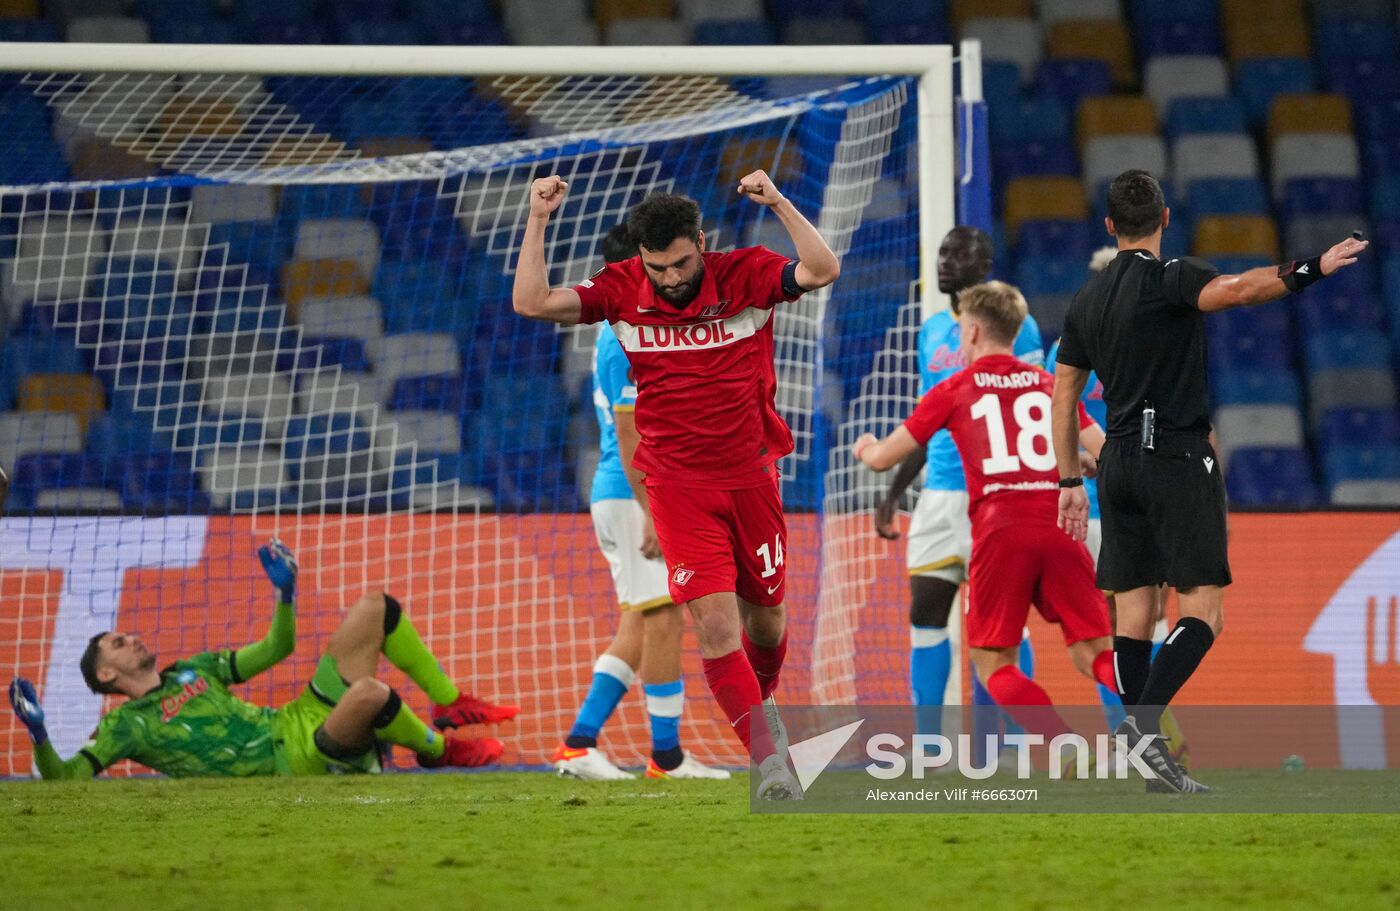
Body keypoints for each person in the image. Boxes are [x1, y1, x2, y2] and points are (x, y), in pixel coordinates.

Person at [512, 170, 840, 800]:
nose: (669, 278)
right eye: (656, 266)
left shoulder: (744, 273)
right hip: (677, 485)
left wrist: (776, 203)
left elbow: (821, 269)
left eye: (680, 263)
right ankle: (773, 766)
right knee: (714, 628)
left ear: (701, 242)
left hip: (751, 476)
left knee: (766, 623)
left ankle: (759, 707)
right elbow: (531, 302)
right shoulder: (620, 290)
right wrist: (538, 220)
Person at [1051, 169, 1369, 793]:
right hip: (1174, 456)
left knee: (1133, 617)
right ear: (1165, 218)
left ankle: (1153, 767)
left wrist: (1068, 479)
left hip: (1115, 465)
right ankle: (1141, 727)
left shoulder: (1086, 301)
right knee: (1205, 615)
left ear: (1109, 225)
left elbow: (1063, 398)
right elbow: (1242, 289)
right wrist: (1314, 268)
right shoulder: (1172, 278)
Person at [854, 281, 1116, 750]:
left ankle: (1066, 747)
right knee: (1095, 651)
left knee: (994, 662)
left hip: (1001, 528)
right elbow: (1105, 452)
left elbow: (882, 459)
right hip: (1060, 525)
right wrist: (1078, 460)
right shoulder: (1050, 383)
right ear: (1016, 331)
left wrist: (866, 447)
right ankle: (1156, 719)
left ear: (971, 332)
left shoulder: (954, 388)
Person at [7, 540, 516, 779]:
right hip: (292, 760)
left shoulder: (195, 668)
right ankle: (435, 751)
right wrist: (39, 735)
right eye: (117, 643)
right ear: (106, 675)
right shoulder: (126, 726)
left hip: (297, 718)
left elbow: (277, 649)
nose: (132, 638)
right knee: (370, 693)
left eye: (125, 634)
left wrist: (287, 594)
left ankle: (450, 704)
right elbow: (65, 779)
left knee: (374, 607)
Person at [554, 223, 728, 782]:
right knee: (663, 619)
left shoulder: (627, 331)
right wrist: (653, 511)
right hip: (632, 493)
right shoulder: (623, 337)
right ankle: (666, 756)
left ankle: (581, 743)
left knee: (645, 619)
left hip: (628, 492)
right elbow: (631, 438)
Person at [872, 226, 1043, 732]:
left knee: (1001, 629)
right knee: (925, 616)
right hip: (938, 495)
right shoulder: (930, 331)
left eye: (960, 253)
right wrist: (894, 495)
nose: (946, 261)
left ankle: (1009, 746)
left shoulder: (1021, 330)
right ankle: (930, 747)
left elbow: (1027, 411)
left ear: (985, 264)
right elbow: (928, 420)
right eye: (942, 252)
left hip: (991, 497)